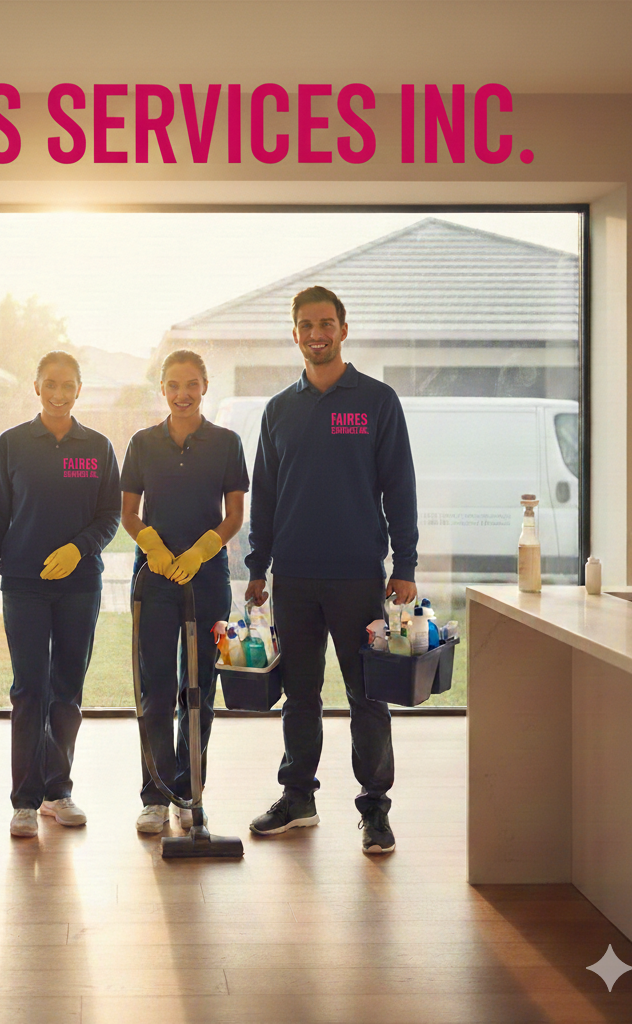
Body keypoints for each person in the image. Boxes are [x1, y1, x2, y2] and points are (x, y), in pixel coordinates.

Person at [245, 286, 418, 854]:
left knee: (367, 696)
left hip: (357, 576)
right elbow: (265, 497)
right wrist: (258, 566)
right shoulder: (278, 410)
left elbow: (400, 488)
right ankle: (298, 798)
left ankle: (375, 808)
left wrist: (405, 564)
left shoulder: (376, 402)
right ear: (294, 333)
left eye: (325, 323)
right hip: (294, 577)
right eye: (306, 325)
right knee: (299, 694)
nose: (316, 334)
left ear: (344, 329)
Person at [0, 351, 121, 839]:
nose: (59, 394)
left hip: (80, 585)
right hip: (24, 585)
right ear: (36, 386)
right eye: (50, 384)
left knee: (67, 690)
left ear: (79, 389)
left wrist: (79, 549)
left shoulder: (97, 448)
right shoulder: (12, 444)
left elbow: (110, 517)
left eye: (68, 385)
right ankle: (25, 800)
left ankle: (58, 792)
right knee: (29, 690)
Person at [120, 350, 248, 834]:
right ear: (162, 388)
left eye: (191, 384)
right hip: (154, 578)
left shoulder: (226, 443)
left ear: (205, 386)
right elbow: (129, 513)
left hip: (207, 578)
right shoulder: (142, 443)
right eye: (173, 385)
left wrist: (202, 550)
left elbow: (234, 515)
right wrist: (151, 545)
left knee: (198, 689)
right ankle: (155, 796)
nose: (182, 394)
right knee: (156, 689)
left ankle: (190, 793)